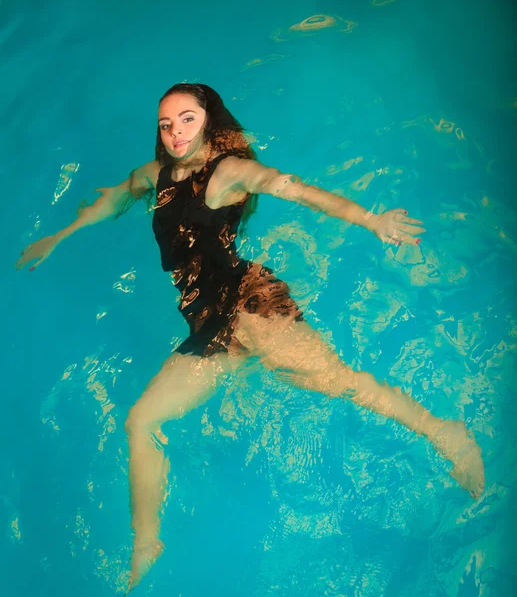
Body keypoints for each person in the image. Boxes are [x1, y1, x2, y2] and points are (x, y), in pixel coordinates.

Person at [15, 83, 485, 590]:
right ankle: (148, 544)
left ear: (209, 121)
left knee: (339, 384)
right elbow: (117, 196)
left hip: (249, 304)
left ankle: (444, 431)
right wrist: (61, 235)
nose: (175, 133)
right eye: (166, 123)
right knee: (140, 421)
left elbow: (293, 187)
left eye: (188, 120)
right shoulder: (157, 176)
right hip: (208, 324)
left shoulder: (228, 173)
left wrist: (371, 220)